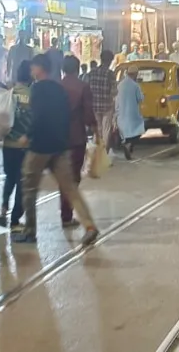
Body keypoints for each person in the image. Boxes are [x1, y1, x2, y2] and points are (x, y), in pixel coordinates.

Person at [14, 54, 99, 246]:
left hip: (40, 146)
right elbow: (65, 115)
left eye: (33, 67)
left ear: (40, 68)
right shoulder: (58, 89)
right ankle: (89, 226)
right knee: (70, 188)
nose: (31, 71)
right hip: (60, 145)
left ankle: (30, 230)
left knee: (29, 187)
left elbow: (39, 116)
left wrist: (27, 135)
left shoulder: (37, 89)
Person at [59, 55, 97, 228]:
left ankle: (66, 214)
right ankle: (68, 214)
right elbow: (88, 114)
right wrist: (96, 130)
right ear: (77, 68)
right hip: (76, 138)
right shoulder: (83, 87)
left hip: (58, 139)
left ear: (63, 69)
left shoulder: (57, 87)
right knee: (73, 177)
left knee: (63, 177)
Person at [0, 61, 33, 231]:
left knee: (9, 178)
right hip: (24, 146)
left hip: (7, 145)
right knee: (22, 183)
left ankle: (3, 208)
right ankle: (15, 220)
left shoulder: (9, 94)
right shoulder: (32, 94)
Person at [87, 50, 118, 164]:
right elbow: (114, 92)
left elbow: (87, 89)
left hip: (94, 106)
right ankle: (103, 156)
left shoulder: (92, 73)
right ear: (109, 61)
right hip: (107, 106)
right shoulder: (110, 74)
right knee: (106, 131)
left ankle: (97, 155)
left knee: (98, 131)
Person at [116, 65, 146, 160]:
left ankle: (127, 144)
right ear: (135, 74)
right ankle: (129, 145)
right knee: (139, 129)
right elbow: (140, 98)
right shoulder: (135, 85)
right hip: (132, 114)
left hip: (121, 113)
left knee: (126, 132)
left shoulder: (120, 84)